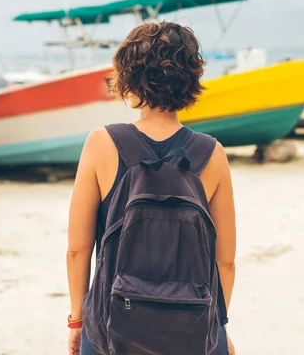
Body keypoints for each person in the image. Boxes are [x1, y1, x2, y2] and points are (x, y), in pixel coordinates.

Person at [66, 21, 237, 355]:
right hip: (193, 327)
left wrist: (77, 323)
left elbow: (77, 250)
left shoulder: (102, 143)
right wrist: (214, 325)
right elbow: (225, 262)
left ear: (129, 77)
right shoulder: (212, 153)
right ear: (191, 78)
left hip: (110, 328)